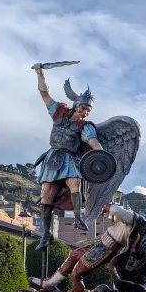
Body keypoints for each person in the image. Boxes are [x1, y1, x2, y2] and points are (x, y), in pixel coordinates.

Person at [31, 64, 106, 250]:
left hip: (70, 158)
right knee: (46, 194)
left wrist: (101, 154)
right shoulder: (59, 112)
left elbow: (93, 142)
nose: (85, 112)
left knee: (74, 183)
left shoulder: (85, 126)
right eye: (84, 107)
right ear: (76, 105)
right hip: (53, 157)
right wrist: (40, 73)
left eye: (88, 110)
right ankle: (46, 233)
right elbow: (44, 94)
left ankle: (78, 218)